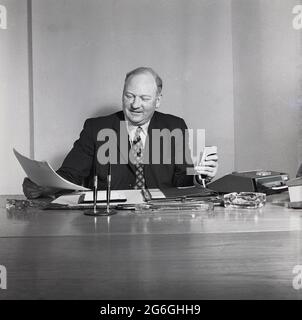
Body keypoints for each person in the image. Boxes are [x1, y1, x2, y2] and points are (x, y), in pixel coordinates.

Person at [23, 67, 218, 199]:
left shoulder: (174, 126)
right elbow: (70, 175)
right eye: (129, 96)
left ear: (157, 101)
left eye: (144, 98)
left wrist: (199, 177)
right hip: (108, 220)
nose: (135, 105)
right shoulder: (96, 128)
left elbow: (181, 181)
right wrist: (44, 185)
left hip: (160, 219)